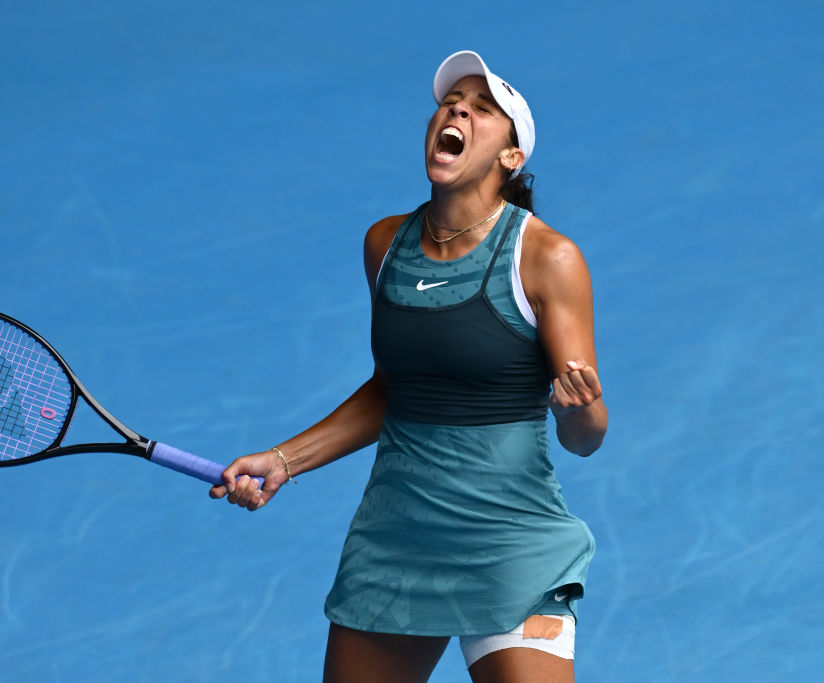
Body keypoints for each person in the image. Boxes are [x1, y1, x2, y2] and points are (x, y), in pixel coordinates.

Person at [210, 50, 607, 683]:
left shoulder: (547, 257)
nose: (457, 110)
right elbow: (392, 389)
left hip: (510, 541)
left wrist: (580, 412)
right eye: (452, 103)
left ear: (511, 157)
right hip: (398, 540)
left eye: (482, 109)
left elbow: (587, 437)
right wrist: (283, 459)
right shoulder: (385, 245)